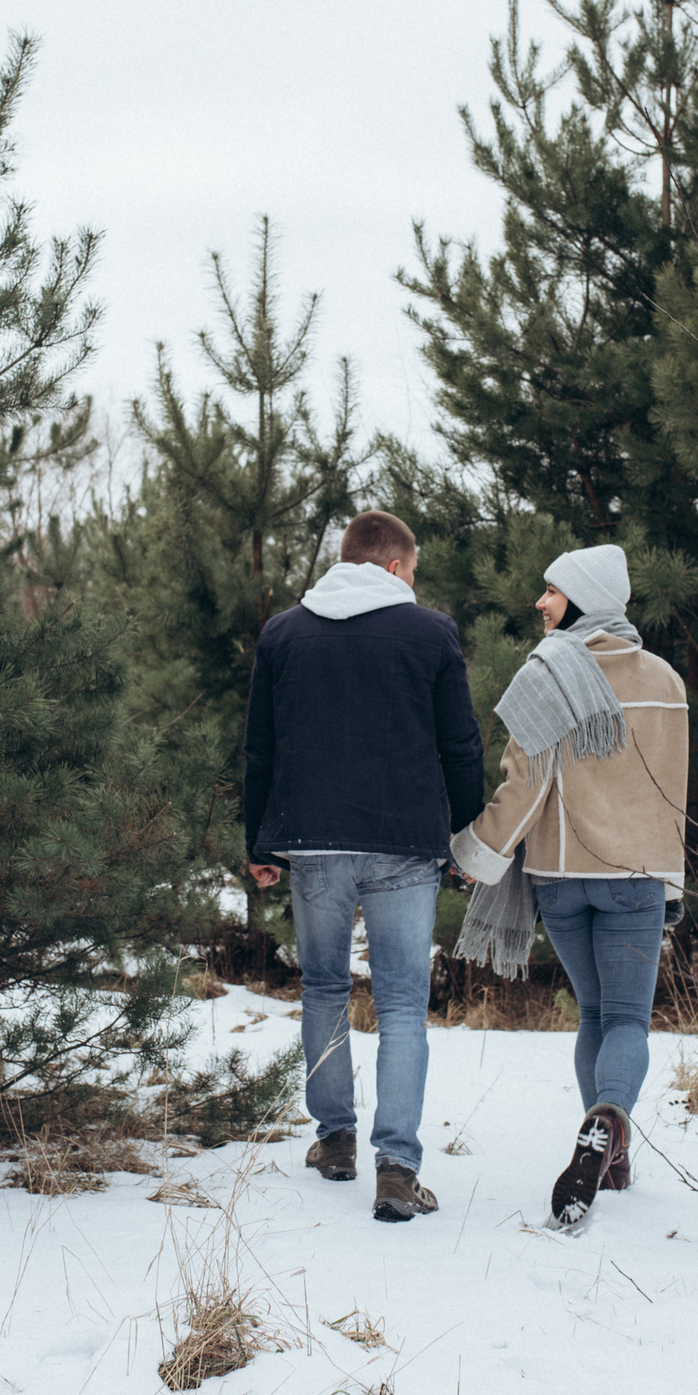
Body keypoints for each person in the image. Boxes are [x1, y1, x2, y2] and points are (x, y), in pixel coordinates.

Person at [243, 510, 486, 1222]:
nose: (414, 582)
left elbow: (261, 747)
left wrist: (259, 842)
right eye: (412, 569)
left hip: (314, 842)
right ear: (391, 566)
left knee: (322, 986)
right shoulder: (430, 632)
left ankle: (336, 1138)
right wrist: (465, 838)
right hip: (405, 841)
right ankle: (399, 1168)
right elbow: (461, 746)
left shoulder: (285, 633)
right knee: (404, 1001)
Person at [449, 543, 688, 1229]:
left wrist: (478, 852)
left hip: (560, 876)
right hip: (636, 877)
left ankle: (609, 1156)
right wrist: (671, 880)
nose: (540, 603)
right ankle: (608, 1120)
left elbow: (523, 788)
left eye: (551, 591)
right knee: (626, 1021)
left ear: (583, 596)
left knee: (593, 1016)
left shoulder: (546, 672)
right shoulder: (665, 681)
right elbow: (671, 790)